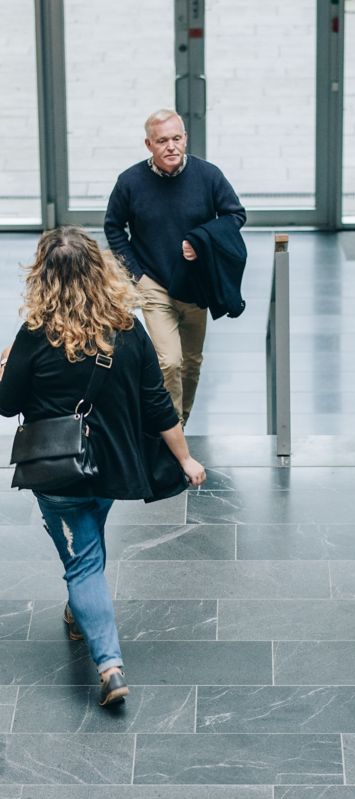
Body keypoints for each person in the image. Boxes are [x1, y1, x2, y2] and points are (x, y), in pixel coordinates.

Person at [0, 227, 206, 706]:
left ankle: (110, 666)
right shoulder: (128, 330)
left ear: (44, 276)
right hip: (111, 467)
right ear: (100, 269)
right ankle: (79, 610)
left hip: (55, 471)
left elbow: (7, 405)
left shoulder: (34, 334)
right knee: (88, 542)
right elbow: (157, 406)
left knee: (83, 560)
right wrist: (186, 458)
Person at [104, 109, 246, 425]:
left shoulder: (208, 176)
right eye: (162, 140)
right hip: (152, 283)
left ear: (185, 138)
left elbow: (235, 215)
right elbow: (114, 226)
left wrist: (202, 240)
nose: (171, 146)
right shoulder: (130, 182)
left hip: (195, 284)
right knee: (168, 362)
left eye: (176, 138)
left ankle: (179, 422)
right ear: (148, 144)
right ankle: (170, 431)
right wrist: (135, 275)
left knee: (191, 363)